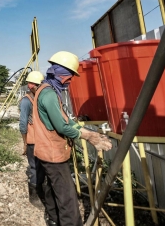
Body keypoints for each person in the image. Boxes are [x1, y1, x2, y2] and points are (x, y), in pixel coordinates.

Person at [33, 51, 112, 226]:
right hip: (53, 155)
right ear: (60, 74)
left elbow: (65, 120)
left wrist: (86, 131)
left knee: (53, 188)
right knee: (67, 197)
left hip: (47, 153)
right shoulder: (49, 95)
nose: (70, 81)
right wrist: (87, 136)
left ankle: (53, 220)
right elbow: (61, 126)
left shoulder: (46, 90)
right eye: (69, 76)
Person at [19, 70, 46, 207]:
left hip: (43, 139)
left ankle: (43, 191)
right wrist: (24, 143)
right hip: (33, 141)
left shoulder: (40, 98)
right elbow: (23, 124)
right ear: (32, 86)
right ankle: (34, 196)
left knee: (43, 167)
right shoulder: (26, 101)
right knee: (35, 167)